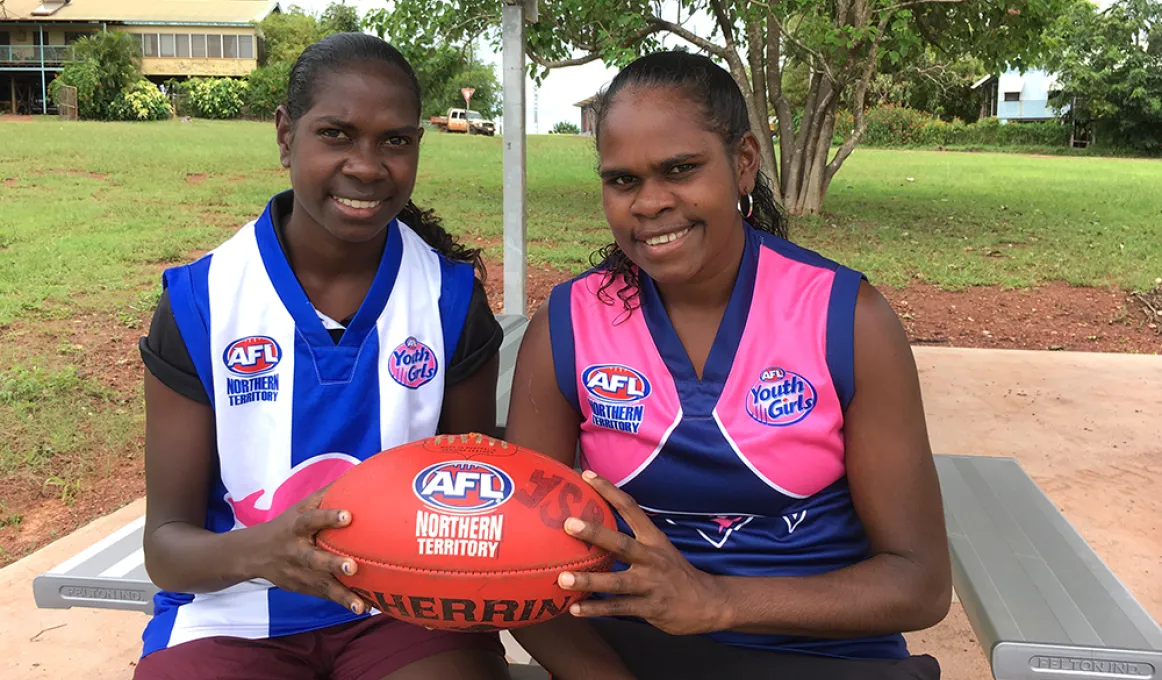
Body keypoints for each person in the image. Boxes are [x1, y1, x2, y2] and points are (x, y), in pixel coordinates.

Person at [504, 51, 953, 679]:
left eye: (681, 169)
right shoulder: (569, 325)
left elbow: (919, 582)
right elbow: (520, 567)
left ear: (743, 163)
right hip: (629, 656)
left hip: (823, 658)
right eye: (623, 180)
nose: (650, 203)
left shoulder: (847, 320)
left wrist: (716, 602)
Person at [133, 33, 515, 680]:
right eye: (336, 134)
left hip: (405, 611)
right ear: (286, 135)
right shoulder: (203, 303)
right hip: (233, 611)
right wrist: (265, 552)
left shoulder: (449, 303)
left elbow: (466, 508)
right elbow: (166, 549)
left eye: (395, 140)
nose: (367, 166)